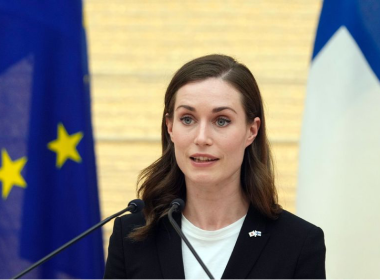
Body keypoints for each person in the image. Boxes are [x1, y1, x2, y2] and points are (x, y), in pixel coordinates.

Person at [104, 54, 326, 280]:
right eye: (188, 119)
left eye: (221, 121)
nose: (201, 138)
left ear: (252, 130)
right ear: (169, 127)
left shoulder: (298, 243)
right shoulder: (130, 235)